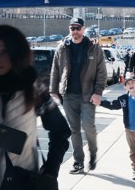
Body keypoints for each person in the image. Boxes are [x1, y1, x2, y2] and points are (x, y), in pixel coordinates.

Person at [0, 25, 71, 190]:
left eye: (5, 52)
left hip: (24, 182)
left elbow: (61, 131)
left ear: (17, 54)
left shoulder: (33, 87)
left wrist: (51, 170)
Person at [49, 17, 107, 174]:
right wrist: (53, 91)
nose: (74, 31)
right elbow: (55, 70)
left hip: (88, 96)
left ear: (83, 29)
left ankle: (93, 153)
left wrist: (98, 93)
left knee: (89, 127)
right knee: (74, 130)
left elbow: (101, 72)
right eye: (72, 28)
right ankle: (78, 161)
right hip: (69, 96)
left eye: (77, 28)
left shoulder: (94, 48)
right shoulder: (62, 47)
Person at [99, 75, 135, 181]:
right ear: (125, 87)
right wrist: (100, 102)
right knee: (132, 151)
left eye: (133, 83)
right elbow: (113, 105)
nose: (130, 85)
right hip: (129, 130)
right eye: (128, 84)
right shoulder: (124, 99)